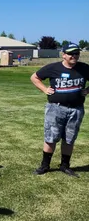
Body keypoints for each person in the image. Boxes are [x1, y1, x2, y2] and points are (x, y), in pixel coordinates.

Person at [31, 43, 89, 177]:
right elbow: (34, 77)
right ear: (63, 55)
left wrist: (87, 90)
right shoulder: (53, 68)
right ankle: (45, 166)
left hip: (76, 110)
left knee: (69, 139)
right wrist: (45, 89)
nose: (74, 56)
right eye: (71, 54)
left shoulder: (84, 68)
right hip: (55, 108)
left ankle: (65, 166)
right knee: (51, 137)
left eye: (76, 53)